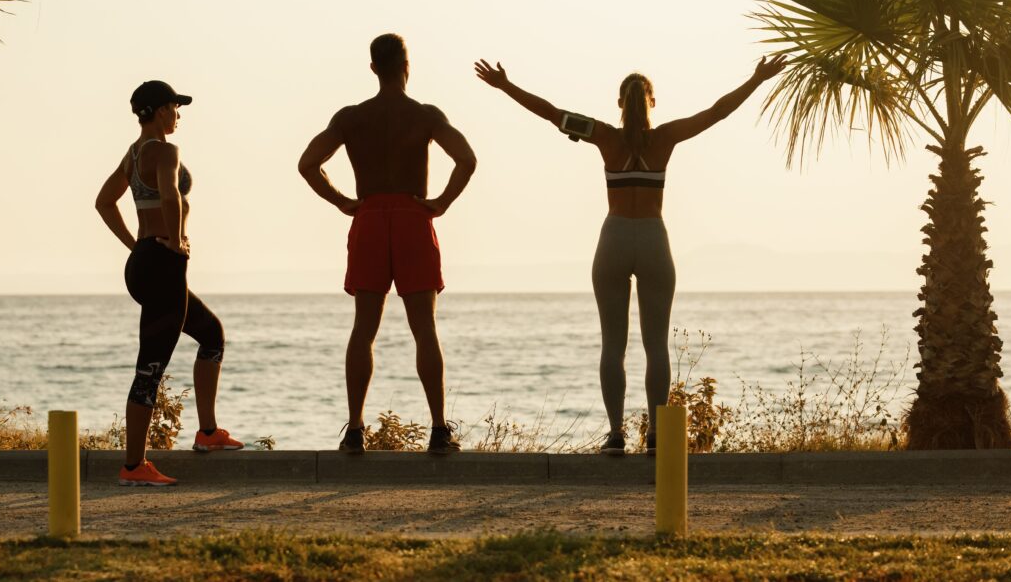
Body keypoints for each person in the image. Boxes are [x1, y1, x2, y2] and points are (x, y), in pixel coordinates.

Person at [474, 55, 786, 455]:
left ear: (620, 103)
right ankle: (656, 435)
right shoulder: (666, 138)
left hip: (615, 238)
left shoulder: (603, 135)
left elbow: (551, 113)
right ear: (651, 101)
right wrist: (756, 78)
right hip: (654, 239)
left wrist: (505, 86)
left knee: (612, 346)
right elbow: (717, 112)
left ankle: (616, 434)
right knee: (656, 346)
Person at [299, 34, 478, 455]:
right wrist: (441, 204)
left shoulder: (351, 117)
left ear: (374, 68)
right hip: (414, 217)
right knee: (424, 330)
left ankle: (356, 430)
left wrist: (343, 201)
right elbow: (467, 159)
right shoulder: (425, 115)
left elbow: (308, 164)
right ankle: (438, 431)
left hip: (370, 218)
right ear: (406, 66)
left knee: (364, 329)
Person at [95, 80, 244, 486]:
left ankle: (208, 433)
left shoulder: (133, 154)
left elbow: (103, 202)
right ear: (161, 111)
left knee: (211, 334)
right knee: (150, 367)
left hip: (146, 261)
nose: (179, 114)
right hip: (162, 264)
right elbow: (169, 197)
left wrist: (135, 245)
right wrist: (176, 241)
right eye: (176, 107)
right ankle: (133, 466)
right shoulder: (164, 151)